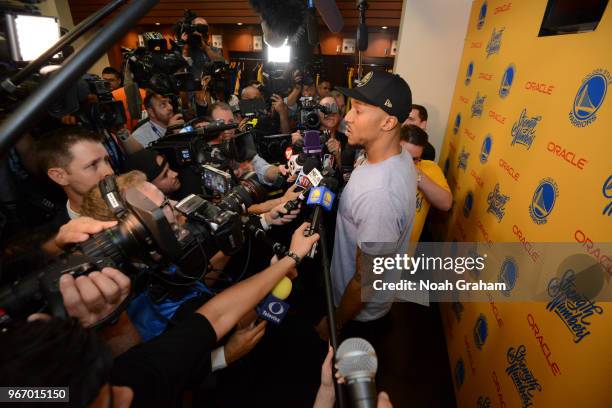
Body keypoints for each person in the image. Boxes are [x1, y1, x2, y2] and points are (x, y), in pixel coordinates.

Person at [0, 222, 319, 408]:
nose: (127, 395)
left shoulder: (130, 381)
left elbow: (215, 315)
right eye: (109, 403)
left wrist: (286, 260)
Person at [314, 72, 416, 361]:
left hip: (356, 317)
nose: (347, 116)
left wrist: (334, 322)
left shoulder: (379, 194)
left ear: (387, 122)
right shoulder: (395, 156)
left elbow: (365, 280)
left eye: (358, 110)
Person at [36, 126, 114, 221]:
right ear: (59, 176)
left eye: (106, 160)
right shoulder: (59, 234)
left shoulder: (132, 198)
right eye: (93, 165)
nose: (109, 172)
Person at [400, 125, 452, 242]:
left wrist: (417, 175)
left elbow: (446, 203)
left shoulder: (429, 168)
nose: (408, 162)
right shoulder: (381, 165)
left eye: (414, 158)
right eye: (404, 156)